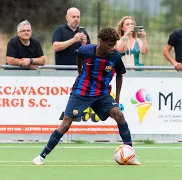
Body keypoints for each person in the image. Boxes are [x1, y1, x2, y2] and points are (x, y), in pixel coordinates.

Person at [32, 28, 140, 165]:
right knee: (66, 123)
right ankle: (41, 156)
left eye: (114, 45)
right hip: (81, 92)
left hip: (102, 94)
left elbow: (119, 75)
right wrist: (80, 71)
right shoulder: (86, 50)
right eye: (109, 45)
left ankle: (130, 154)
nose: (112, 48)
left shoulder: (115, 57)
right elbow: (78, 56)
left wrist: (117, 98)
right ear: (101, 42)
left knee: (119, 114)